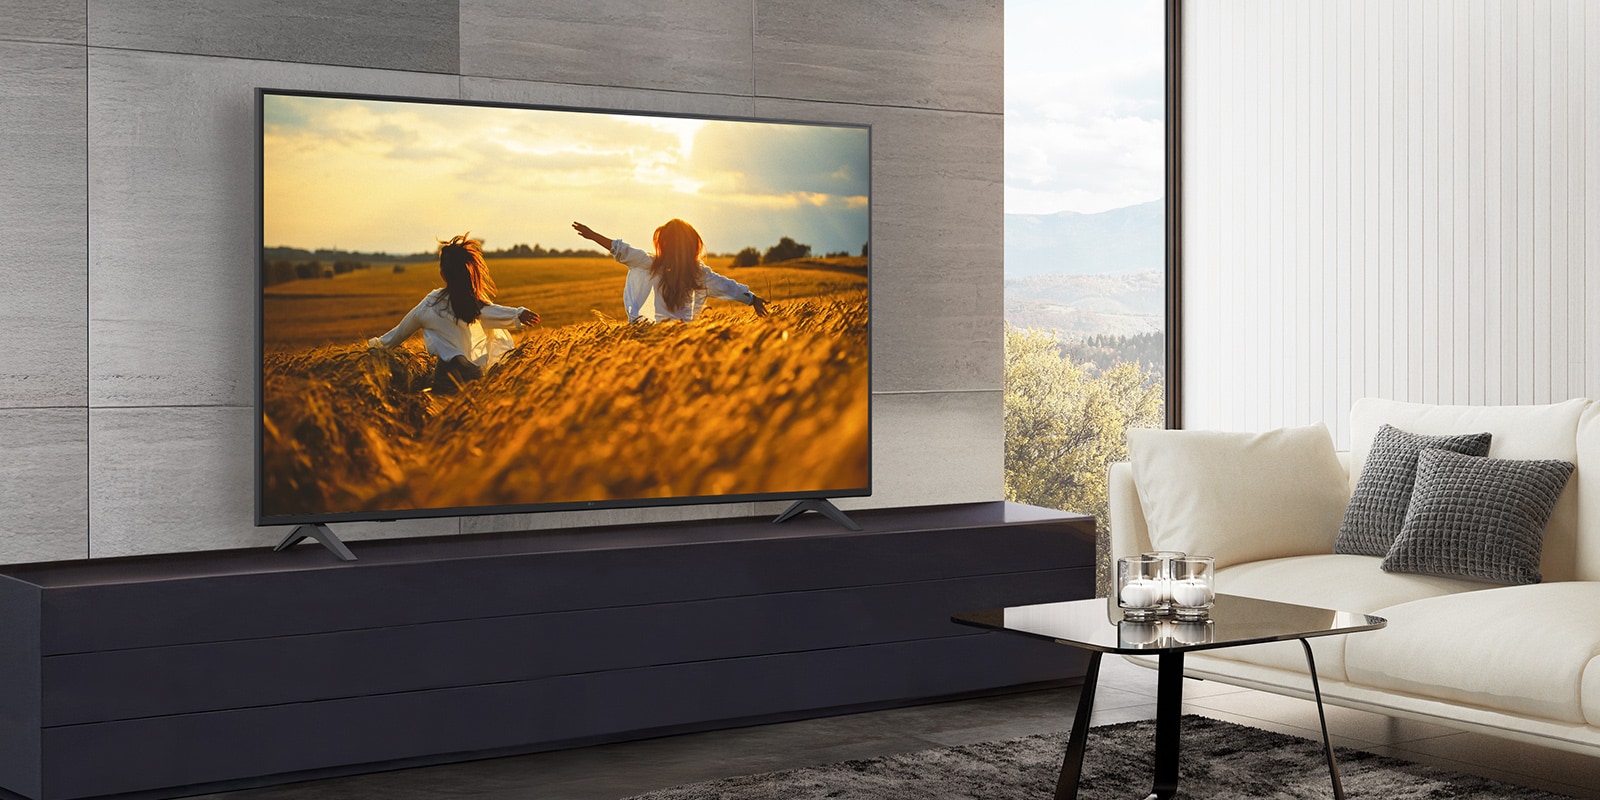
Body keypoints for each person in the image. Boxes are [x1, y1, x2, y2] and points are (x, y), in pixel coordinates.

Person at [367, 234, 540, 393]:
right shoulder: (473, 303)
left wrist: (374, 347)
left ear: (443, 274)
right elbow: (494, 312)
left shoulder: (430, 304)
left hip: (447, 378)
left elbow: (399, 333)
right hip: (475, 377)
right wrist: (519, 313)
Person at [572, 218, 769, 323]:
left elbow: (622, 251)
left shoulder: (650, 263)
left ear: (664, 244)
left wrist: (593, 235)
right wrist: (751, 299)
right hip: (679, 337)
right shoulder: (695, 272)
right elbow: (725, 286)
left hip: (654, 336)